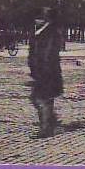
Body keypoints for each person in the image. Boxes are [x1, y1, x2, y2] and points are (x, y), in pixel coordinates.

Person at [27, 8, 63, 138]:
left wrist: (44, 71)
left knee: (41, 99)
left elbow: (48, 54)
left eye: (39, 18)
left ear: (45, 19)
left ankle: (45, 129)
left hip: (47, 72)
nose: (36, 21)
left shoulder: (51, 33)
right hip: (41, 71)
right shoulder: (39, 32)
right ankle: (50, 122)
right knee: (42, 99)